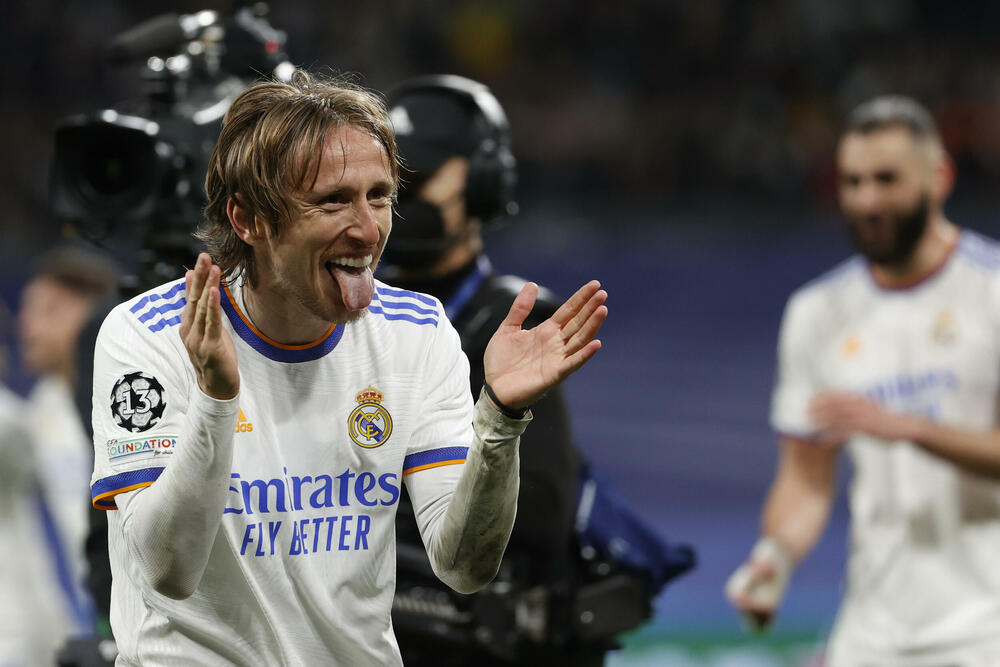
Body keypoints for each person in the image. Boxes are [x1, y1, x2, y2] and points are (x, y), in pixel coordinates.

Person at [87, 69, 607, 665]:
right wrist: (216, 400)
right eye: (333, 200)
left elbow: (464, 568)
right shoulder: (149, 337)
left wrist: (500, 418)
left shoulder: (417, 332)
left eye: (379, 196)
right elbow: (167, 572)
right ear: (248, 220)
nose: (368, 230)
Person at [381, 74, 666, 666]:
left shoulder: (511, 322)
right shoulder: (360, 324)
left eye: (422, 177)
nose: (402, 198)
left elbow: (535, 517)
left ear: (483, 181)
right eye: (390, 182)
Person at [726, 95, 1000, 664]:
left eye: (886, 179)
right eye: (852, 182)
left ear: (940, 177)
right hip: (872, 631)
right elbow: (805, 479)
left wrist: (912, 429)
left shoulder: (991, 290)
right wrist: (774, 557)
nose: (867, 200)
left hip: (985, 626)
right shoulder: (817, 313)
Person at [1, 247, 116, 665]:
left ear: (89, 311)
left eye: (46, 309)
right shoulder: (41, 415)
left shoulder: (133, 404)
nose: (25, 324)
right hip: (80, 627)